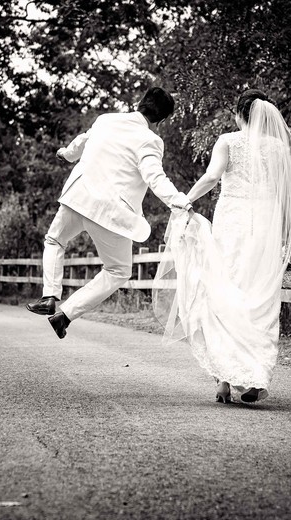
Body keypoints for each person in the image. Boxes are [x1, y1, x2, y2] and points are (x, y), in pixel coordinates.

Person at [152, 88, 291, 404]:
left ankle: (223, 380)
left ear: (238, 114)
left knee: (223, 291)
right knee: (258, 297)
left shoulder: (228, 141)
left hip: (231, 222)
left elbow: (210, 177)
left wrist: (183, 200)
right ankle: (253, 377)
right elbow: (289, 199)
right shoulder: (278, 148)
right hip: (265, 225)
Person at [27, 87, 192, 339]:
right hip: (111, 212)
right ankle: (66, 314)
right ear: (162, 120)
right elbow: (154, 177)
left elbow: (80, 143)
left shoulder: (105, 120)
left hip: (78, 197)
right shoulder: (151, 140)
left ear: (140, 103)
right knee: (118, 271)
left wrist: (64, 154)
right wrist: (178, 201)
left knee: (54, 240)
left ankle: (49, 295)